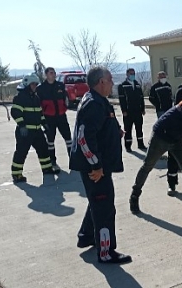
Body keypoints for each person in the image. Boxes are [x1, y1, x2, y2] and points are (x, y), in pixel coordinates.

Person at [69, 66, 132, 264]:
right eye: (110, 79)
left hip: (100, 166)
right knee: (104, 208)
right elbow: (84, 138)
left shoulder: (99, 101)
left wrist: (116, 131)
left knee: (97, 202)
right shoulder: (93, 104)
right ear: (101, 82)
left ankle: (86, 236)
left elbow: (103, 125)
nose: (113, 83)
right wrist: (96, 166)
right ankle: (106, 252)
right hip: (95, 168)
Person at [10, 73, 59, 183]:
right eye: (33, 84)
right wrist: (22, 126)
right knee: (21, 152)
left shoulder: (36, 98)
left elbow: (39, 113)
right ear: (27, 84)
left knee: (43, 150)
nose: (35, 86)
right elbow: (15, 113)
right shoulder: (20, 97)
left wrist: (44, 124)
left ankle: (46, 169)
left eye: (36, 84)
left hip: (37, 131)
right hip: (25, 132)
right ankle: (16, 174)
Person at [37, 67, 72, 171]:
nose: (53, 74)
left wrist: (65, 107)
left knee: (69, 139)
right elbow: (38, 105)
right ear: (46, 75)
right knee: (50, 141)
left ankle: (73, 160)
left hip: (61, 117)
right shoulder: (41, 88)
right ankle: (53, 162)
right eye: (51, 73)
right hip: (49, 118)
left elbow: (66, 99)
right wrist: (42, 119)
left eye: (54, 73)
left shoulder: (60, 85)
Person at [118, 68, 146, 152]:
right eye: (131, 74)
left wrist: (143, 109)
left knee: (139, 128)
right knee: (128, 129)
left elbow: (141, 98)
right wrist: (124, 110)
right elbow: (122, 99)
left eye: (133, 74)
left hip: (137, 111)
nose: (132, 75)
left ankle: (140, 144)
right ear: (127, 74)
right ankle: (128, 146)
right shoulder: (122, 85)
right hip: (128, 112)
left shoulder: (137, 85)